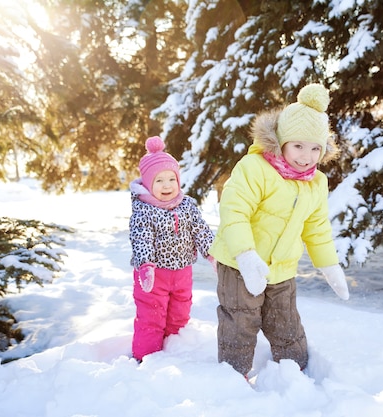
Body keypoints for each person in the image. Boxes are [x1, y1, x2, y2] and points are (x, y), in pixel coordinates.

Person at [208, 83, 350, 377]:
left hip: (282, 269)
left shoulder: (316, 183)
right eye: (298, 145)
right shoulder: (254, 168)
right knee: (240, 321)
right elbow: (235, 211)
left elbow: (317, 227)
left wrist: (329, 265)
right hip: (238, 264)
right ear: (281, 141)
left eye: (315, 148)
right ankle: (234, 378)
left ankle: (295, 375)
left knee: (286, 323)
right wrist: (246, 255)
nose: (306, 156)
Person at [129, 136, 215, 361]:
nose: (167, 185)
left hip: (182, 272)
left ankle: (175, 350)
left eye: (171, 179)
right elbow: (141, 238)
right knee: (151, 318)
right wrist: (145, 265)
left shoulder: (186, 205)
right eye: (159, 181)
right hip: (153, 276)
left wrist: (213, 253)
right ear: (148, 184)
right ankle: (146, 358)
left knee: (179, 314)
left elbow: (200, 230)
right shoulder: (144, 209)